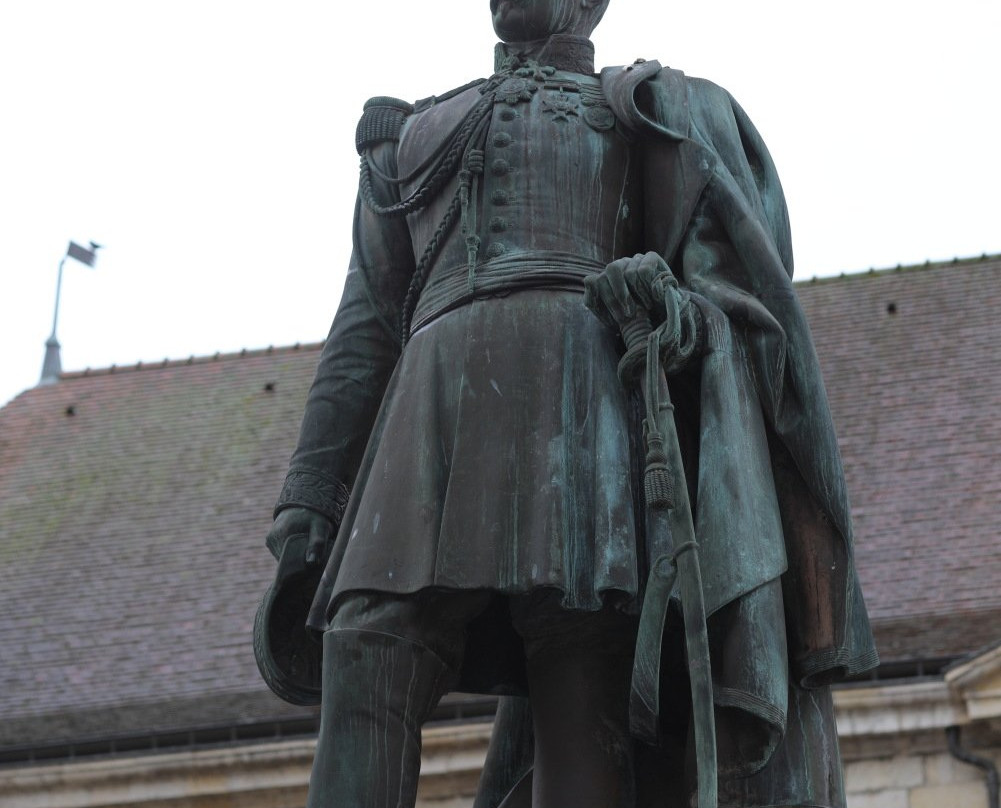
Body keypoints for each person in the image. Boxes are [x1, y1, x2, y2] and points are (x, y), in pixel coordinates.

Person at [256, 1, 878, 806]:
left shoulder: (652, 111)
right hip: (429, 406)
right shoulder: (407, 136)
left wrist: (669, 312)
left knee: (579, 674)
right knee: (368, 645)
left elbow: (733, 307)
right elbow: (365, 333)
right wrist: (310, 497)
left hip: (583, 405)